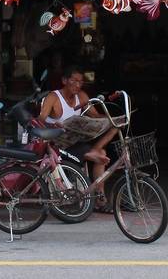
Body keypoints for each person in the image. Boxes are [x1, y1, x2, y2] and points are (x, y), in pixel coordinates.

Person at [37, 65, 118, 212]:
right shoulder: (53, 97)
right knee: (99, 157)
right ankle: (92, 155)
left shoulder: (82, 96)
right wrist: (53, 126)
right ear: (64, 80)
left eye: (80, 82)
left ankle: (101, 198)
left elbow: (95, 116)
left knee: (103, 152)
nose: (77, 85)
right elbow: (39, 120)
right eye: (74, 81)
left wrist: (113, 119)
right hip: (56, 146)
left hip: (74, 144)